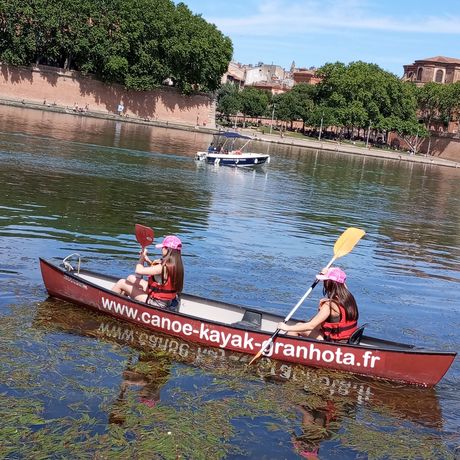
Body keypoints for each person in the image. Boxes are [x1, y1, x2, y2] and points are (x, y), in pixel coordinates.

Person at [277, 267, 358, 342]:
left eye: (325, 281)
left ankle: (287, 351)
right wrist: (328, 272)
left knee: (297, 327)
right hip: (347, 339)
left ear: (328, 284)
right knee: (308, 324)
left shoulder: (328, 305)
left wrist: (287, 327)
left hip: (333, 342)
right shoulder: (349, 297)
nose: (324, 283)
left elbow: (311, 326)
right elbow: (340, 281)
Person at [112, 235, 184, 310]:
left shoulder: (162, 267)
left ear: (169, 250)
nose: (162, 249)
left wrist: (142, 257)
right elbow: (159, 274)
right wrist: (148, 261)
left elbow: (138, 270)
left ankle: (108, 303)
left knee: (121, 282)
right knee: (131, 278)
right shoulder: (176, 265)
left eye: (163, 247)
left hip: (157, 303)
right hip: (168, 301)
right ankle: (121, 305)